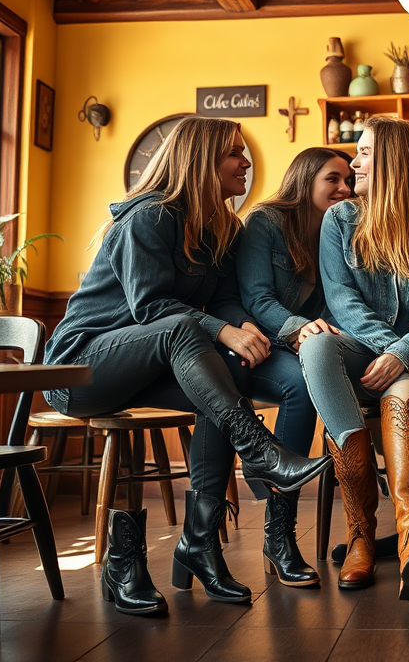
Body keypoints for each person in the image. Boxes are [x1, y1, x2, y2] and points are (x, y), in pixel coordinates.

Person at [42, 116, 332, 616]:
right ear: (201, 163)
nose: (246, 162)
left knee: (221, 391)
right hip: (81, 367)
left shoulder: (223, 227)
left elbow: (222, 301)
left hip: (149, 369)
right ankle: (259, 449)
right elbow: (151, 309)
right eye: (234, 154)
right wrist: (224, 332)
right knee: (187, 338)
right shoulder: (150, 217)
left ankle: (199, 544)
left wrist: (241, 329)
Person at [298, 115, 409, 602]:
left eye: (365, 152)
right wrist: (399, 351)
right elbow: (343, 302)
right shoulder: (340, 219)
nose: (354, 162)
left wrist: (405, 355)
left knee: (408, 392)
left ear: (394, 160)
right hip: (359, 348)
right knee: (318, 343)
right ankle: (360, 534)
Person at [235, 147, 352, 588]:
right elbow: (255, 297)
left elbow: (339, 302)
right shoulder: (265, 222)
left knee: (322, 378)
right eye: (333, 179)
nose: (344, 188)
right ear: (305, 180)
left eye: (348, 179)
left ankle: (362, 527)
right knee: (302, 388)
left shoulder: (339, 228)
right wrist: (301, 328)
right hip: (251, 344)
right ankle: (280, 532)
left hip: (300, 347)